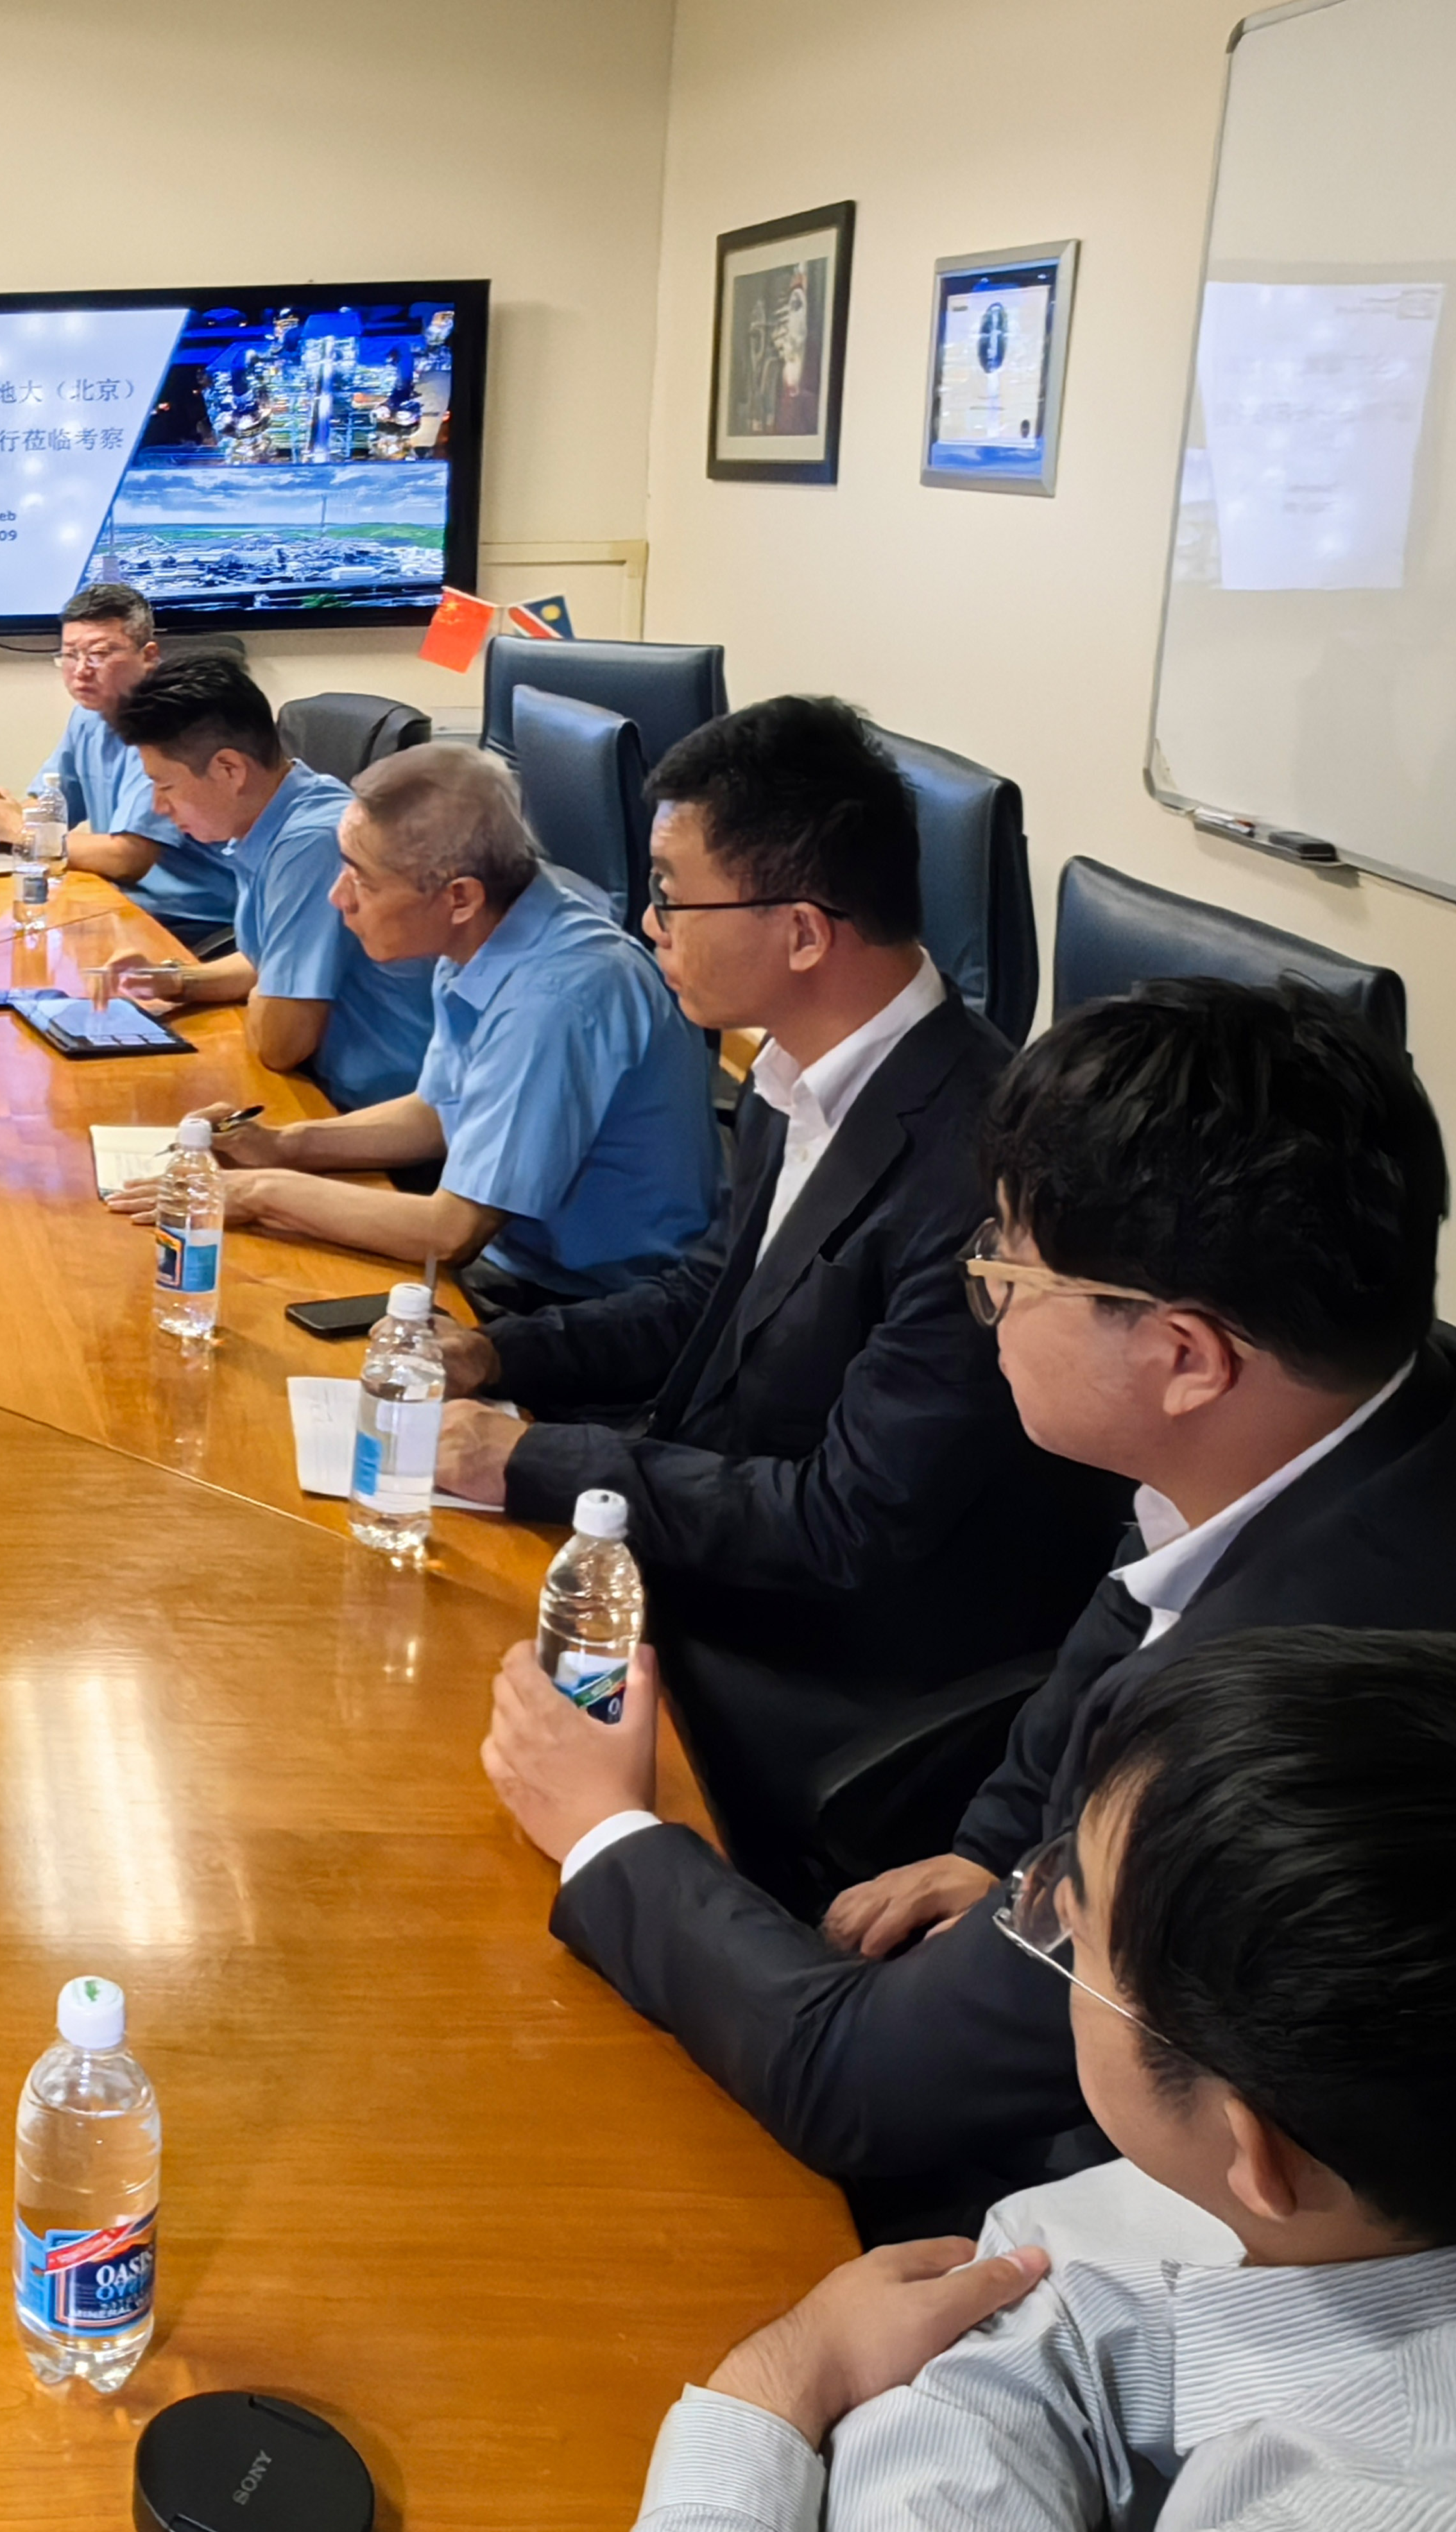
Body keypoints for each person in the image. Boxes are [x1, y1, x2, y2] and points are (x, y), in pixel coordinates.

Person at [479, 979, 1456, 2239]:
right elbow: (1133, 1593)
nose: (982, 1293)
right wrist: (1000, 1853)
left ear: (1184, 1356)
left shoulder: (1286, 1712)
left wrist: (607, 1827)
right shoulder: (1360, 1395)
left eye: (1006, 1268)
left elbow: (860, 2081)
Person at [633, 1629, 1456, 2529]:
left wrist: (771, 2387)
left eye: (1072, 1938)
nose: (1035, 1913)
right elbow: (1052, 2288)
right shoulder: (1415, 2160)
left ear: (1255, 2153)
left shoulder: (1397, 2500)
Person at [433, 698, 1117, 1910]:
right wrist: (494, 1359)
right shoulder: (792, 1069)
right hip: (718, 1539)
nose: (647, 925)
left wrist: (535, 1460)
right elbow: (708, 1297)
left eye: (671, 898)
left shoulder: (981, 1170)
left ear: (801, 932)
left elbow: (846, 1522)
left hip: (840, 1655)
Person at [112, 743, 717, 1311]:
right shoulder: (483, 930)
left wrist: (255, 1191)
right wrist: (284, 1146)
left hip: (593, 1302)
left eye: (363, 879)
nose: (338, 897)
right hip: (517, 1260)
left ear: (459, 897)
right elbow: (439, 1111)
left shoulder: (555, 999)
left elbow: (450, 1232)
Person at [99, 655, 433, 1110]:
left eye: (166, 786)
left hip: (375, 1113)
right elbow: (269, 961)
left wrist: (267, 994)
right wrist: (175, 980)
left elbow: (280, 1045)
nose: (159, 807)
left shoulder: (312, 844)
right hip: (329, 1088)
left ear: (229, 769)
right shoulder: (277, 815)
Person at [0, 584, 236, 954]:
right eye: (70, 655)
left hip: (190, 922)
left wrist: (17, 829)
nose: (81, 671)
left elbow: (128, 858)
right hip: (118, 901)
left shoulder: (173, 726)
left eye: (99, 654)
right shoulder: (88, 717)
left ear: (149, 656)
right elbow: (52, 808)